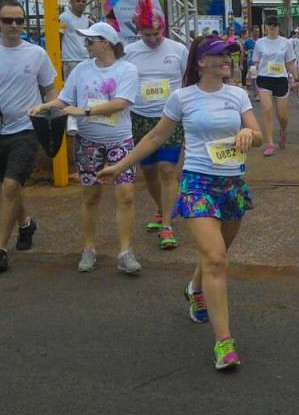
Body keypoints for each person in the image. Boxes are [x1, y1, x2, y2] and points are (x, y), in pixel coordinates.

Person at [99, 35, 263, 368]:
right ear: (200, 62)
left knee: (216, 253)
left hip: (232, 184)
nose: (224, 62)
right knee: (216, 258)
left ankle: (195, 288)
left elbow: (259, 136)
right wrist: (120, 166)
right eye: (217, 57)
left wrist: (250, 135)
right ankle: (224, 344)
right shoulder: (182, 98)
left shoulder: (238, 95)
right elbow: (155, 137)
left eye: (227, 57)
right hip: (198, 183)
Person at [29, 22, 142, 273]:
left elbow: (121, 102)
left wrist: (85, 110)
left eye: (90, 41)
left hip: (120, 141)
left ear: (106, 42)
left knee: (126, 195)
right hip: (88, 142)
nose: (86, 45)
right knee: (90, 196)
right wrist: (45, 107)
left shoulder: (127, 70)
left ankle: (125, 252)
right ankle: (89, 249)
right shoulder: (81, 69)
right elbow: (64, 98)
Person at [0, 1, 58, 272]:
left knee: (10, 187)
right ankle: (26, 224)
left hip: (27, 130)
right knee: (9, 185)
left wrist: (47, 111)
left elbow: (51, 88)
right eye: (8, 20)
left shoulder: (36, 53)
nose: (14, 25)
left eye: (19, 20)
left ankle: (1, 249)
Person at [123, 0, 189, 249]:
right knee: (148, 171)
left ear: (163, 28)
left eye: (156, 33)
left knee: (167, 169)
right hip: (140, 118)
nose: (152, 39)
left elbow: (189, 81)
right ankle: (163, 208)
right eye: (146, 35)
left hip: (170, 118)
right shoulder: (129, 53)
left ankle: (167, 225)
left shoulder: (178, 50)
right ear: (138, 31)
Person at [250, 16, 297, 155]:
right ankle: (269, 143)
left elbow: (289, 62)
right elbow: (256, 61)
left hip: (281, 79)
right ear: (266, 27)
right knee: (267, 109)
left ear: (278, 27)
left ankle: (284, 131)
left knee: (282, 114)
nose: (272, 27)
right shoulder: (260, 42)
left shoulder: (285, 43)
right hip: (264, 78)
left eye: (274, 25)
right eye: (269, 24)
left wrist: (296, 77)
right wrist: (259, 70)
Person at [59, 0, 92, 79]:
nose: (81, 3)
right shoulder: (64, 17)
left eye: (83, 1)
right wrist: (60, 58)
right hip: (70, 60)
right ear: (71, 3)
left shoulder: (86, 20)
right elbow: (59, 37)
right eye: (77, 1)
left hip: (85, 59)